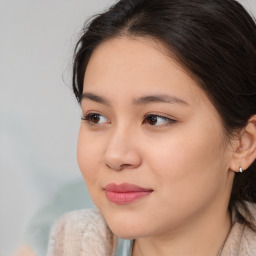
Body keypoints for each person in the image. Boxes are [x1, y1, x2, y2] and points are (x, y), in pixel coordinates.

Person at [47, 0, 256, 255]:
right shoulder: (72, 242)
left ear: (243, 144)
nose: (115, 156)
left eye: (155, 119)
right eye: (96, 118)